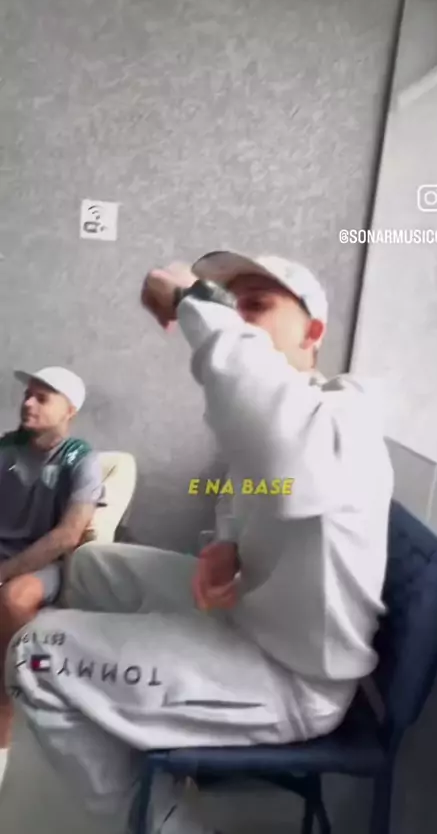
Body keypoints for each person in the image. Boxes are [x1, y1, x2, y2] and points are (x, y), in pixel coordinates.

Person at [5, 253, 394, 834]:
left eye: (255, 306)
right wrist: (228, 544)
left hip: (292, 679)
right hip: (250, 622)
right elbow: (260, 481)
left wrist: (197, 301)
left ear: (313, 333)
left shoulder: (346, 413)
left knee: (35, 654)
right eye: (231, 306)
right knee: (89, 565)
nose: (237, 318)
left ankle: (165, 822)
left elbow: (284, 448)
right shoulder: (296, 419)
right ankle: (111, 727)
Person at [0, 366, 103, 747]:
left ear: (69, 410)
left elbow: (67, 535)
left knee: (14, 598)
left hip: (45, 563)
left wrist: (5, 571)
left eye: (42, 398)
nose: (28, 403)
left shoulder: (81, 459)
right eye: (28, 395)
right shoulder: (5, 449)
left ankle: (8, 704)